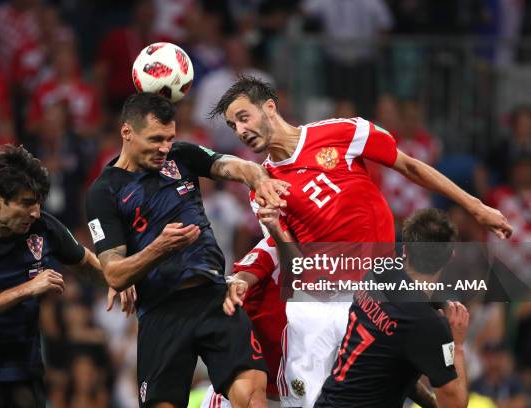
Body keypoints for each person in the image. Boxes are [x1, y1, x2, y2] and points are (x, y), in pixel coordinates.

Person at [209, 76, 511, 407]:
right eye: (232, 125)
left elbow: (409, 165)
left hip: (378, 295)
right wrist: (276, 229)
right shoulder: (262, 186)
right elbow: (295, 266)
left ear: (269, 107)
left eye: (243, 117)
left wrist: (475, 206)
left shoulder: (342, 132)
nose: (240, 130)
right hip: (317, 309)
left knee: (391, 392)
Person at [84, 92, 290, 408]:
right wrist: (159, 248)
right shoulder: (104, 191)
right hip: (161, 311)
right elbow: (114, 273)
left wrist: (258, 179)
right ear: (127, 132)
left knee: (252, 396)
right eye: (155, 139)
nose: (164, 148)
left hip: (214, 297)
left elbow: (235, 167)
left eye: (169, 138)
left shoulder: (181, 156)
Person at [0, 145, 109, 408]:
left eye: (38, 202)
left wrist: (120, 281)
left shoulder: (44, 228)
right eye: (26, 203)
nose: (35, 212)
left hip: (23, 377)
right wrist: (26, 289)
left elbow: (87, 263)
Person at [315, 208, 470, 408]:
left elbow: (391, 362)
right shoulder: (425, 323)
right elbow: (455, 405)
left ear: (405, 249)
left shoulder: (377, 272)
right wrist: (456, 345)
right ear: (450, 257)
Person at [202, 236, 287, 408]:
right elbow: (243, 275)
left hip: (294, 396)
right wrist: (238, 281)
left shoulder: (344, 262)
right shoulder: (275, 245)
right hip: (241, 391)